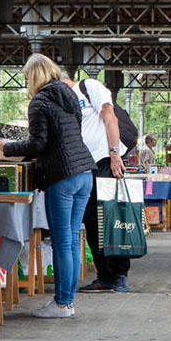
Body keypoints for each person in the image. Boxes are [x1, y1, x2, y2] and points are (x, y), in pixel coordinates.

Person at [0, 53, 94, 319]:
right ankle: (68, 301)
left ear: (35, 74)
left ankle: (62, 304)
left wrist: (6, 148)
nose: (26, 80)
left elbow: (38, 144)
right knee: (72, 241)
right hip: (84, 172)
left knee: (63, 243)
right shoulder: (68, 94)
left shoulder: (40, 101)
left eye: (27, 75)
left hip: (62, 176)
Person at [65, 74, 132, 293]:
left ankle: (120, 274)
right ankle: (105, 276)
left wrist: (115, 155)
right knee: (92, 222)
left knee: (113, 218)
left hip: (106, 162)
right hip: (84, 167)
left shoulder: (88, 86)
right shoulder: (65, 100)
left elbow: (109, 117)